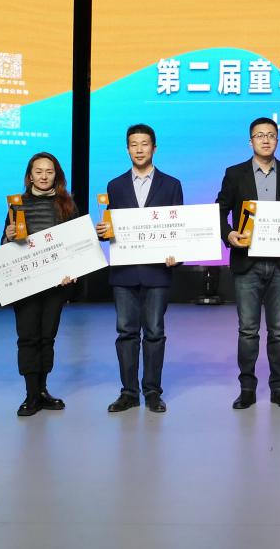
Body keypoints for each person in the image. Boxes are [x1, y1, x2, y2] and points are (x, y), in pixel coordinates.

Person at [217, 117, 280, 410]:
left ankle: (279, 389)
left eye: (271, 135)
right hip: (247, 264)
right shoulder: (235, 173)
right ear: (251, 141)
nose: (266, 140)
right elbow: (219, 210)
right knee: (248, 331)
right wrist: (228, 233)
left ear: (277, 140)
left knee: (279, 332)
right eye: (260, 135)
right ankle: (247, 389)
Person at [96, 124, 184, 414]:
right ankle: (129, 393)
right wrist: (103, 232)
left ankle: (153, 392)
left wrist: (178, 255)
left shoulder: (171, 184)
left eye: (144, 144)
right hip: (124, 272)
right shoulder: (115, 185)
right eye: (133, 144)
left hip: (157, 272)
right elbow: (112, 226)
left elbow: (180, 227)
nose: (139, 149)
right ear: (127, 149)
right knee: (126, 333)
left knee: (155, 332)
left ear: (154, 148)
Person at [1, 152, 78, 417]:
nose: (44, 176)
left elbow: (76, 244)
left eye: (49, 171)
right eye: (38, 171)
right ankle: (30, 394)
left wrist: (72, 271)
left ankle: (43, 390)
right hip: (26, 283)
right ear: (30, 176)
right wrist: (8, 236)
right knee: (28, 337)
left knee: (47, 337)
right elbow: (4, 245)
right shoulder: (17, 204)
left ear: (56, 175)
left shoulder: (67, 205)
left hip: (56, 285)